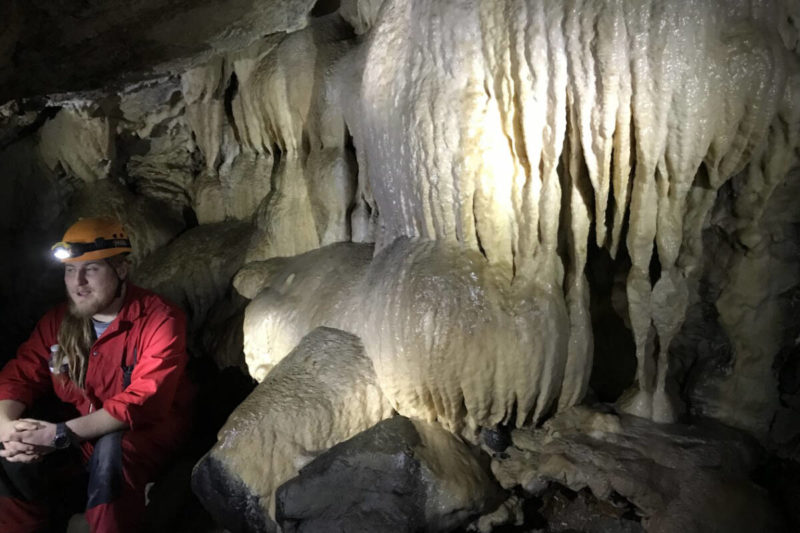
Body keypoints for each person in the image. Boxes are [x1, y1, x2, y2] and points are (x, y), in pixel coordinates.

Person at [0, 216, 195, 533]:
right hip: (78, 432)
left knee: (113, 452)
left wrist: (57, 435)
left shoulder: (160, 318)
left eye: (91, 269)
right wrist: (7, 428)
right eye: (70, 270)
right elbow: (19, 376)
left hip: (146, 435)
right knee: (9, 450)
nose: (78, 282)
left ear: (121, 269)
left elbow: (144, 400)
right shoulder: (58, 322)